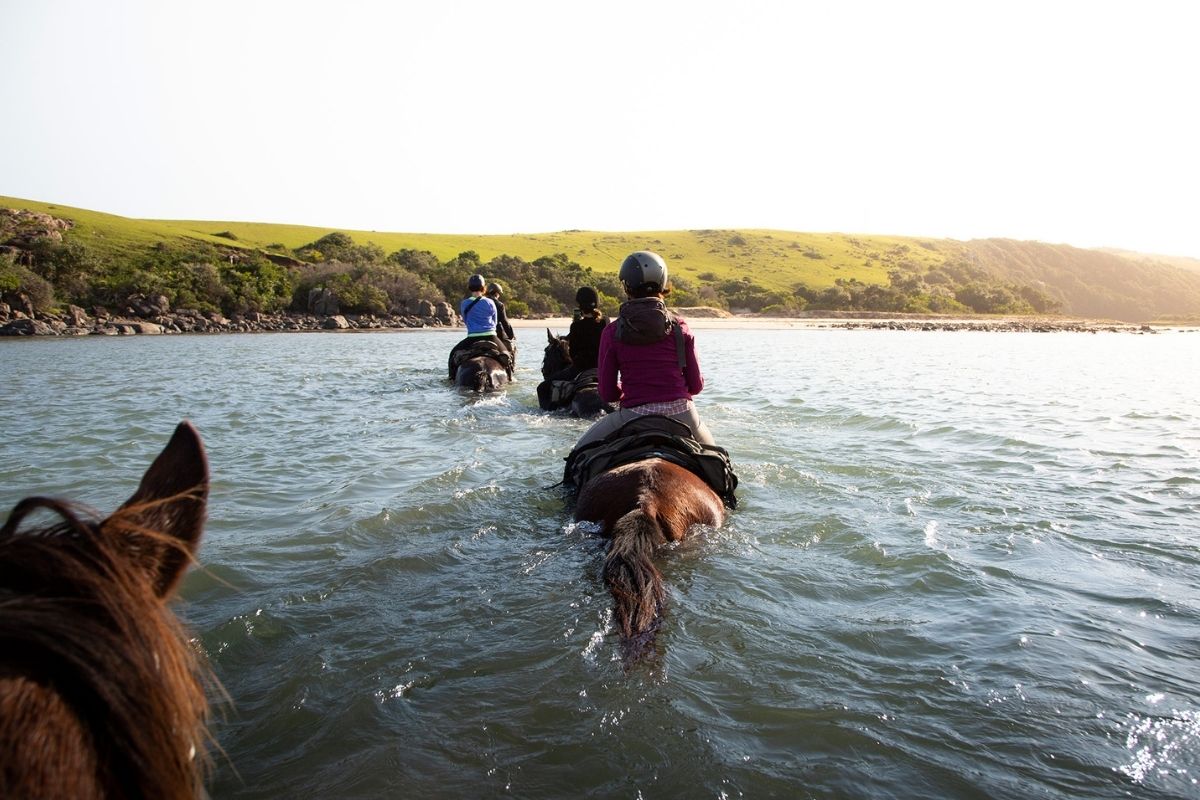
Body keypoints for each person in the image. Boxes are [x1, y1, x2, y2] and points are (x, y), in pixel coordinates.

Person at [571, 251, 714, 449]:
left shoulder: (612, 331)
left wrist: (631, 392)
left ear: (627, 286)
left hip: (632, 416)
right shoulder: (681, 327)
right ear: (662, 283)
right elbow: (696, 386)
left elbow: (607, 392)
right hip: (682, 414)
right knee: (720, 462)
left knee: (578, 453)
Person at [448, 274, 511, 379]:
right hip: (491, 336)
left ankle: (451, 378)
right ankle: (510, 378)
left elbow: (466, 321)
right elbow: (494, 322)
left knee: (452, 355)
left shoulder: (465, 303)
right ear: (483, 288)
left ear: (469, 288)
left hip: (472, 338)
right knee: (506, 356)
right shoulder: (490, 302)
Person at [565, 286, 608, 372]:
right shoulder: (605, 321)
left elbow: (572, 353)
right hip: (602, 368)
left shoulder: (576, 326)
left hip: (581, 369)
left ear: (580, 306)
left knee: (544, 385)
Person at [486, 282, 516, 359]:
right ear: (496, 293)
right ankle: (510, 367)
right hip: (497, 334)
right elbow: (504, 322)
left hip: (480, 333)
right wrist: (511, 336)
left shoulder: (481, 302)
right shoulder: (499, 304)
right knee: (510, 348)